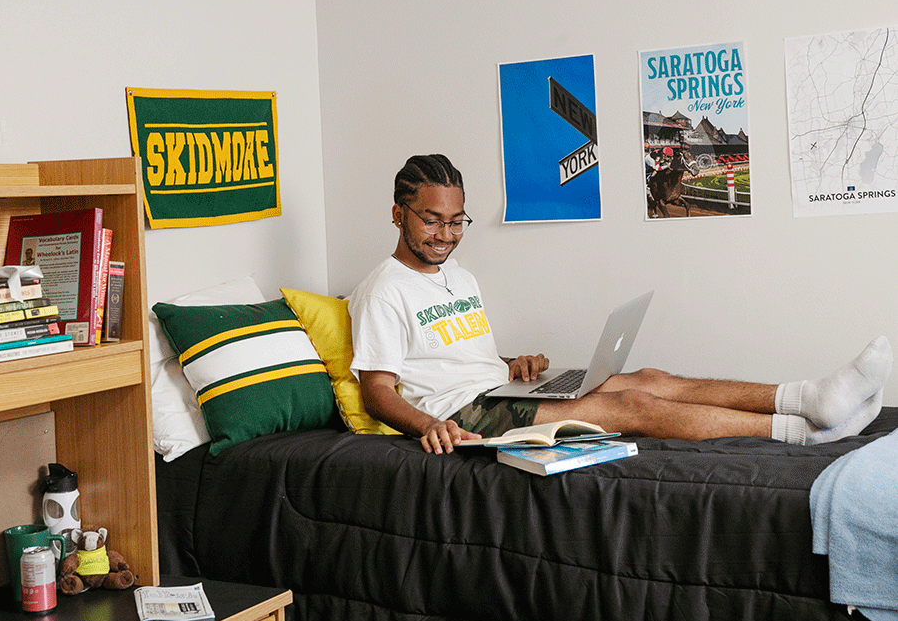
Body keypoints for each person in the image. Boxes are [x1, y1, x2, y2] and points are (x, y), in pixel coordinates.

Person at [348, 154, 892, 454]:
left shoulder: (457, 275)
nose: (447, 234)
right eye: (432, 220)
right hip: (463, 414)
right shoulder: (383, 288)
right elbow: (377, 390)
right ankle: (804, 432)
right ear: (398, 215)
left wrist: (510, 363)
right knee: (627, 408)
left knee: (648, 377)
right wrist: (427, 427)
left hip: (496, 387)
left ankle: (808, 396)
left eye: (456, 221)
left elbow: (446, 349)